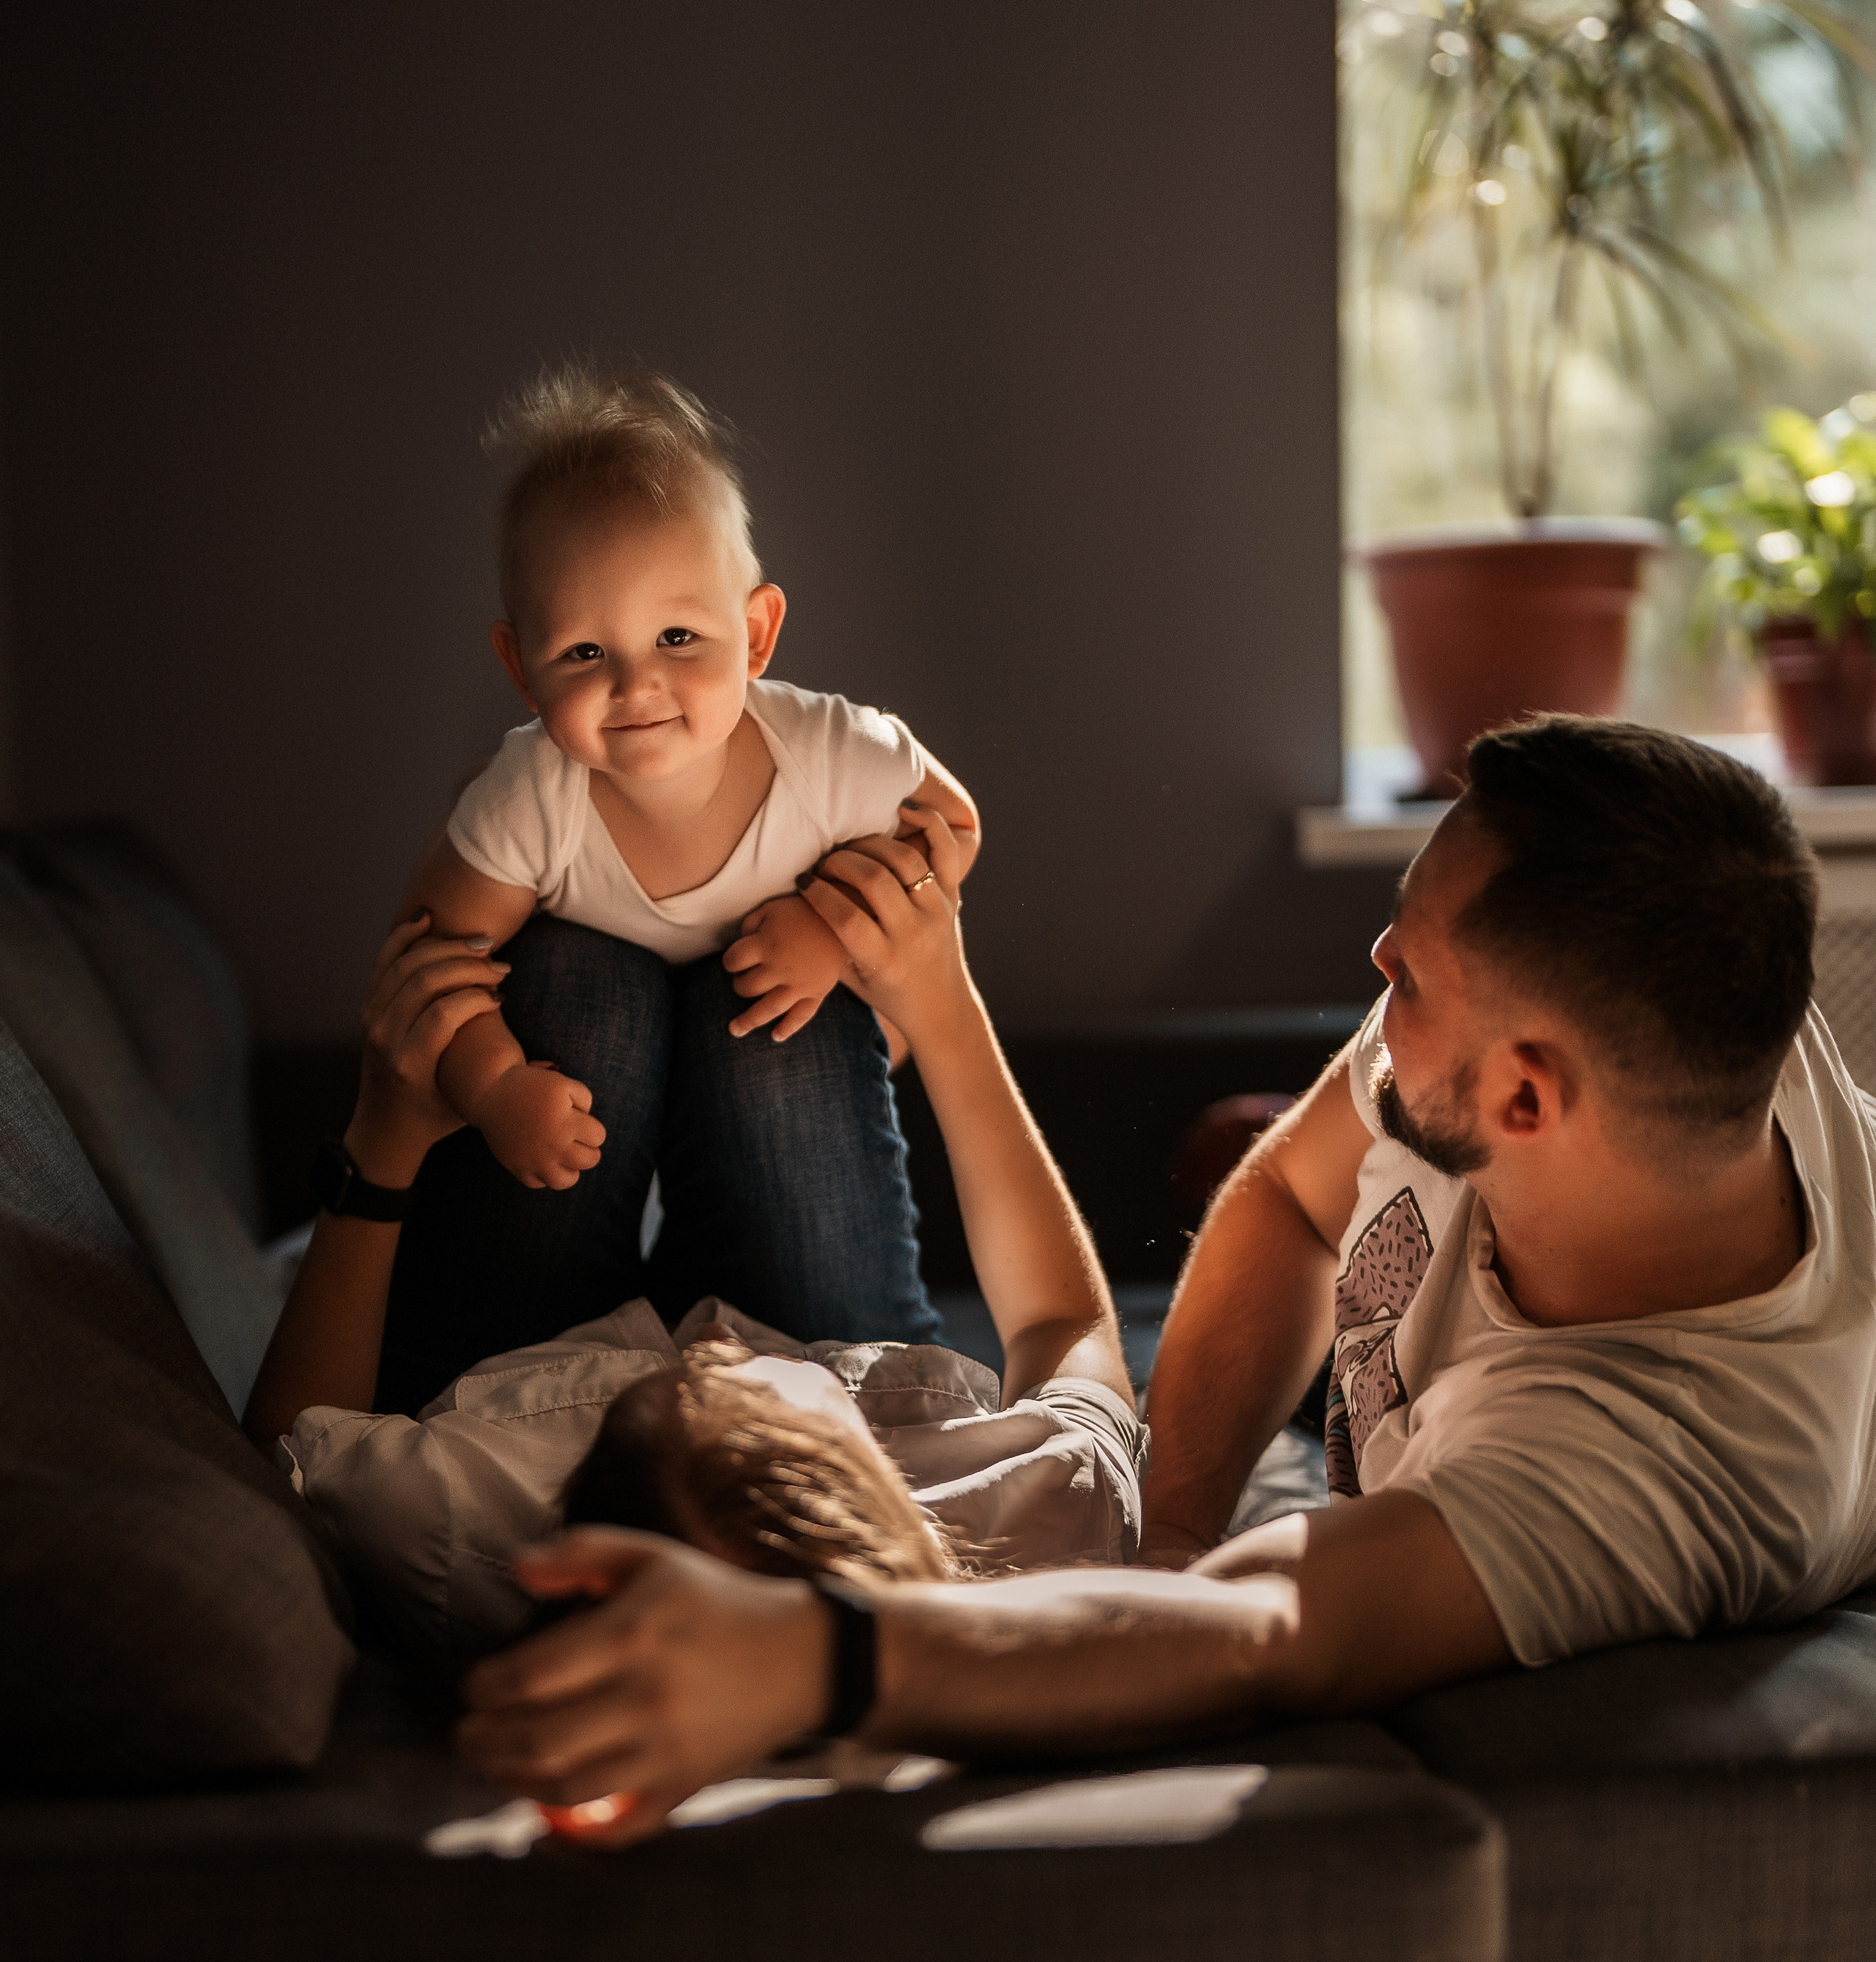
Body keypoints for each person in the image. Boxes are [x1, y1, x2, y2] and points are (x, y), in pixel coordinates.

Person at [451, 717, 1876, 1843]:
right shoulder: (1681, 987)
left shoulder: (1659, 1469)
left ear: (1521, 1100)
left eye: (1412, 975)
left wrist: (804, 1655)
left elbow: (1274, 1631)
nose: (1375, 965)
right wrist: (1174, 1521)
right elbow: (1287, 1202)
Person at [245, 807, 1142, 1676]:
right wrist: (941, 1004)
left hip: (511, 1367)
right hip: (819, 1321)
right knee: (776, 1012)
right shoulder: (1031, 1512)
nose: (709, 1345)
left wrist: (385, 1135)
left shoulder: (460, 1519)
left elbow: (284, 1448)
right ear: (862, 1455)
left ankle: (561, 827)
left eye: (686, 1384)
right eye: (754, 1379)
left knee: (579, 980)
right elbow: (1064, 1322)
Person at [374, 364, 979, 1407]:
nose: (635, 684)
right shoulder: (530, 796)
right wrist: (491, 1086)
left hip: (782, 1125)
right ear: (522, 671)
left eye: (678, 638)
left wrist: (832, 929)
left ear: (756, 636)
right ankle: (512, 1376)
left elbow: (955, 826)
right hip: (574, 1159)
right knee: (574, 978)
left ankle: (857, 1377)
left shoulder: (830, 752)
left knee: (780, 1017)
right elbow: (432, 969)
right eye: (584, 651)